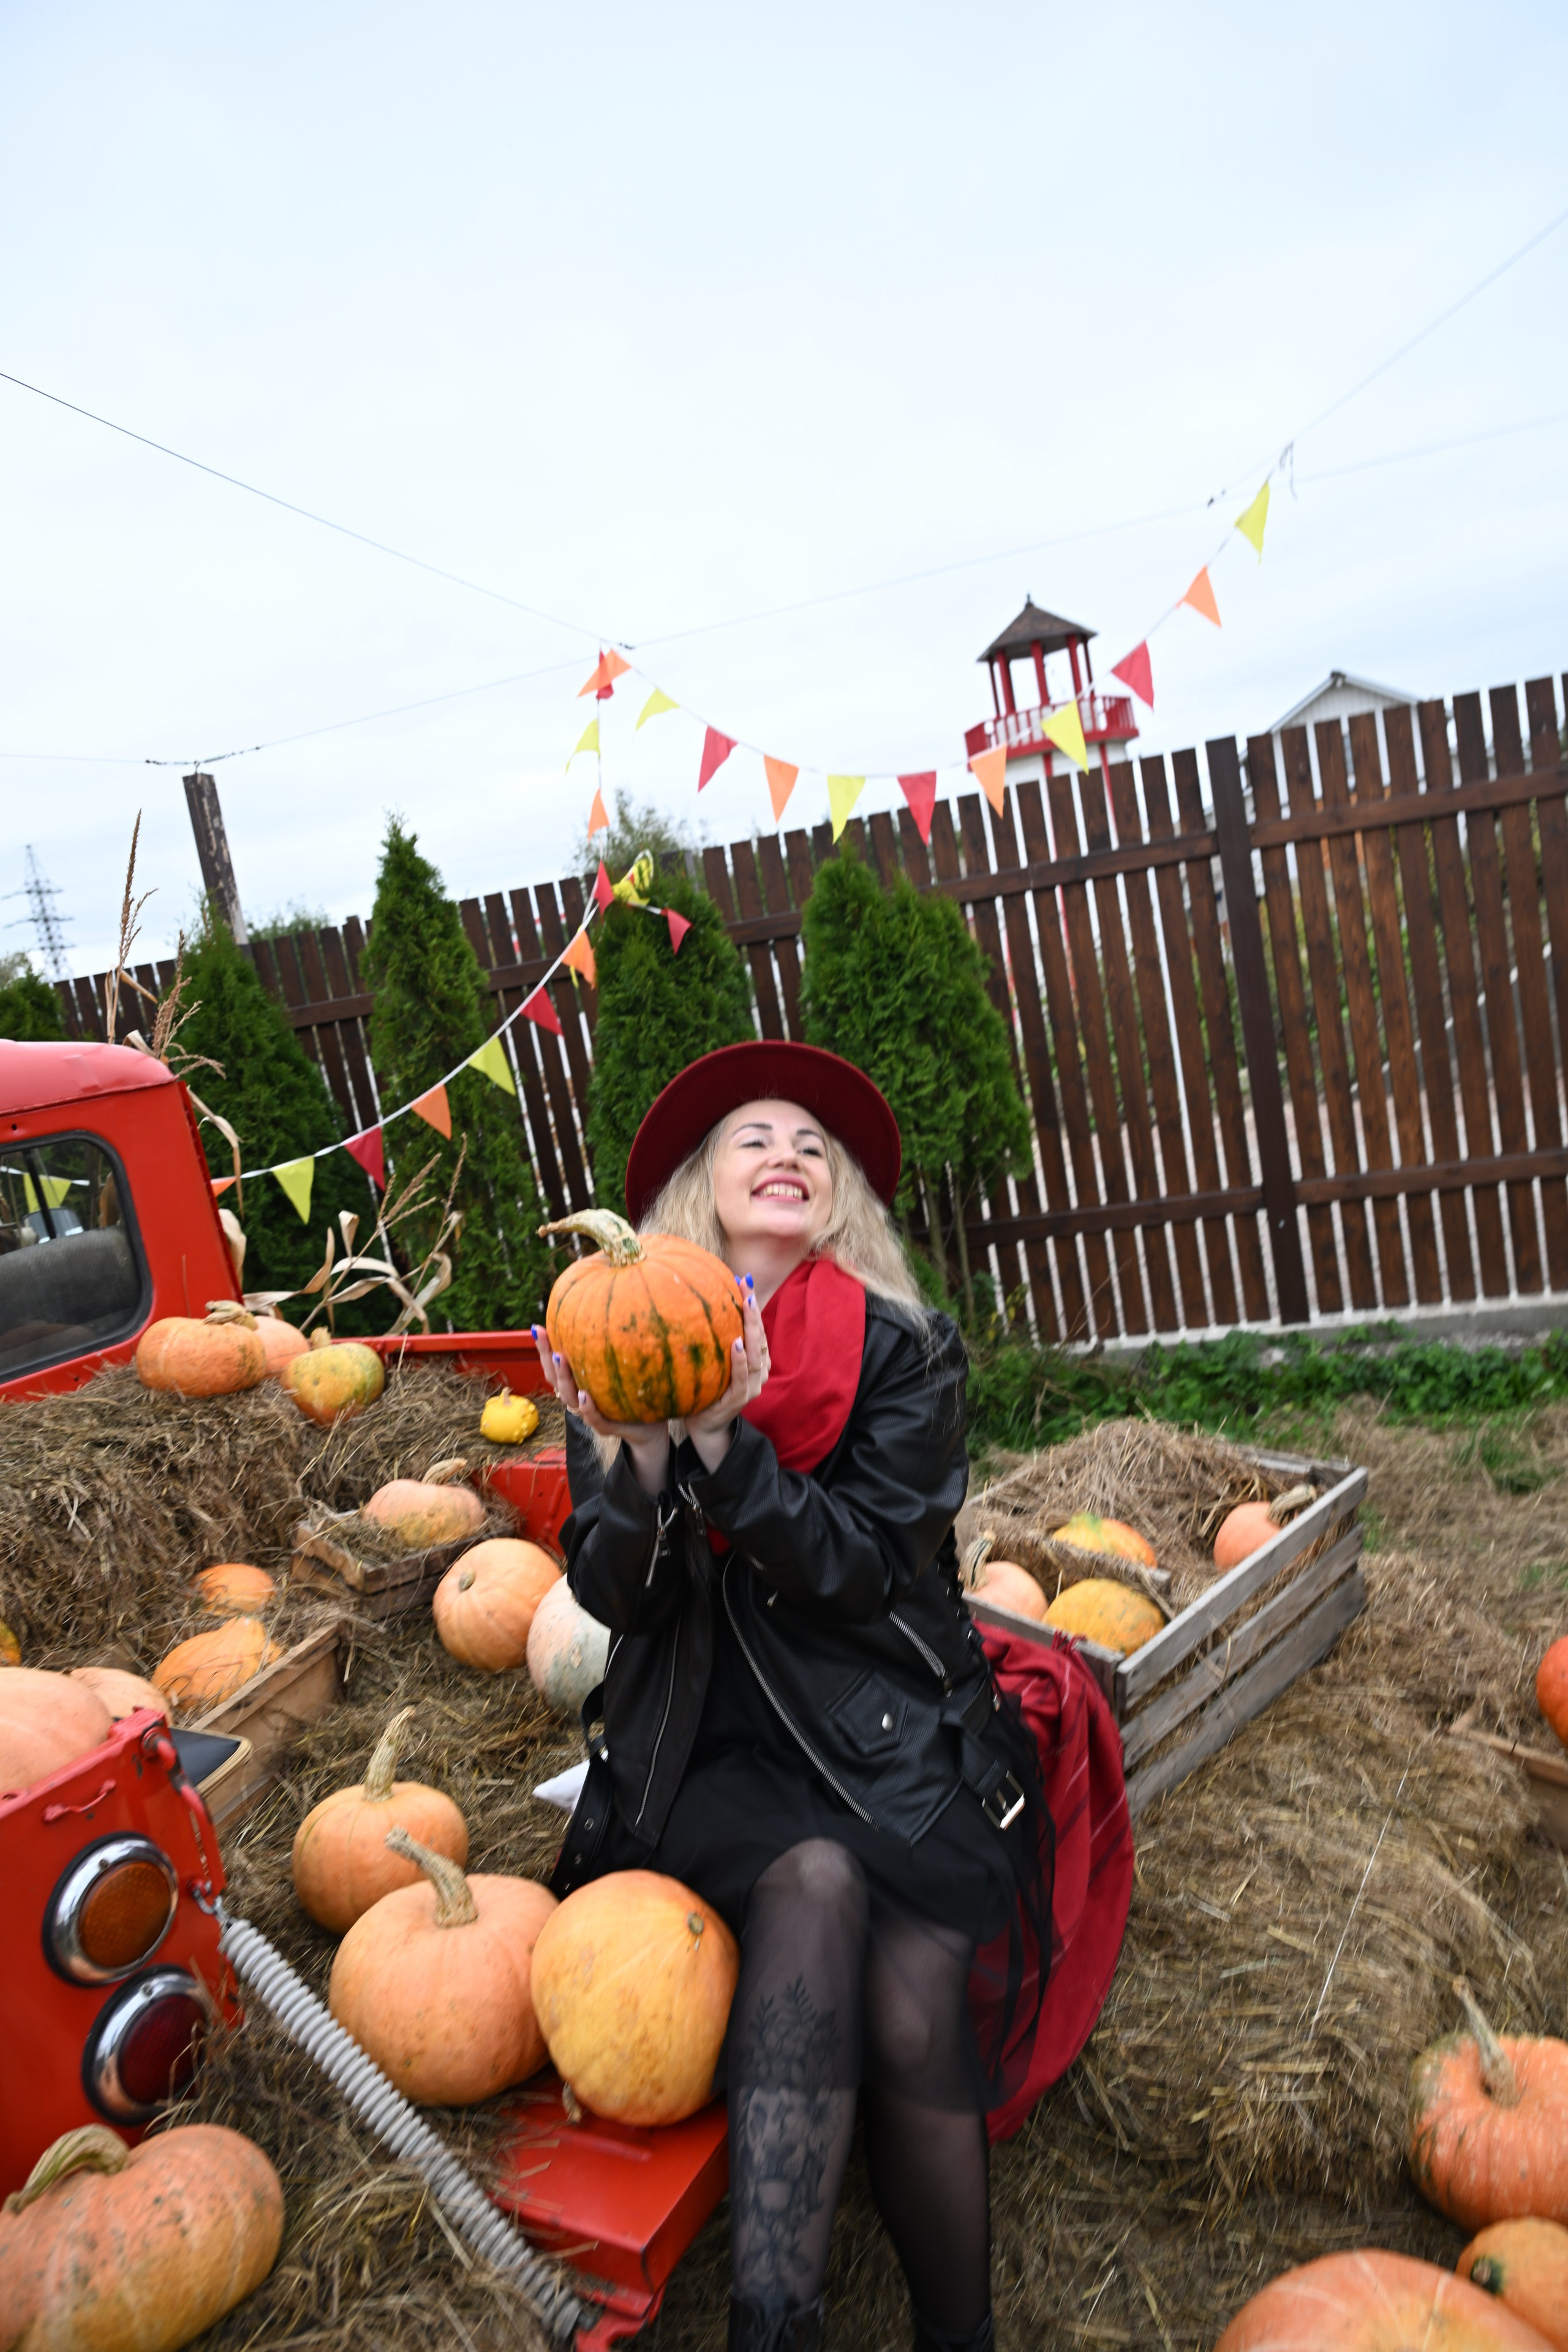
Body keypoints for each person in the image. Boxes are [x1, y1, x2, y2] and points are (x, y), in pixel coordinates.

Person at [533, 1041, 1046, 2352]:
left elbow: (863, 1574)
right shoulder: (611, 1346)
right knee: (808, 1885)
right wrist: (643, 1452)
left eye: (812, 1145)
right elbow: (618, 1601)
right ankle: (775, 2327)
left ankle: (959, 2337)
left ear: (840, 1202)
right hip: (705, 1756)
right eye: (752, 1137)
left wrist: (724, 1443)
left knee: (913, 2007)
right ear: (697, 1193)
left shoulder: (899, 1353)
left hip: (882, 1743)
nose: (788, 1156)